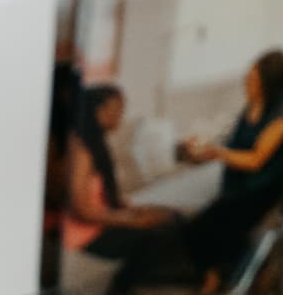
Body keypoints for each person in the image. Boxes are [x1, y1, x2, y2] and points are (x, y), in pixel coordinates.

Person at [173, 49, 283, 292]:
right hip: (236, 184)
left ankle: (216, 277)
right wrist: (201, 153)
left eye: (253, 79)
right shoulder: (250, 107)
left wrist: (217, 152)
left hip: (262, 187)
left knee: (202, 227)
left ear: (269, 81)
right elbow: (232, 146)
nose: (246, 83)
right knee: (214, 226)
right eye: (247, 77)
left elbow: (256, 160)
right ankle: (228, 273)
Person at [56, 82, 194, 288]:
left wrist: (136, 210)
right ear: (98, 111)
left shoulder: (97, 143)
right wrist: (132, 220)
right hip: (86, 236)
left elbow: (104, 199)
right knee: (155, 235)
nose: (121, 114)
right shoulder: (82, 150)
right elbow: (81, 210)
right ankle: (122, 287)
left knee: (173, 218)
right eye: (117, 108)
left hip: (103, 221)